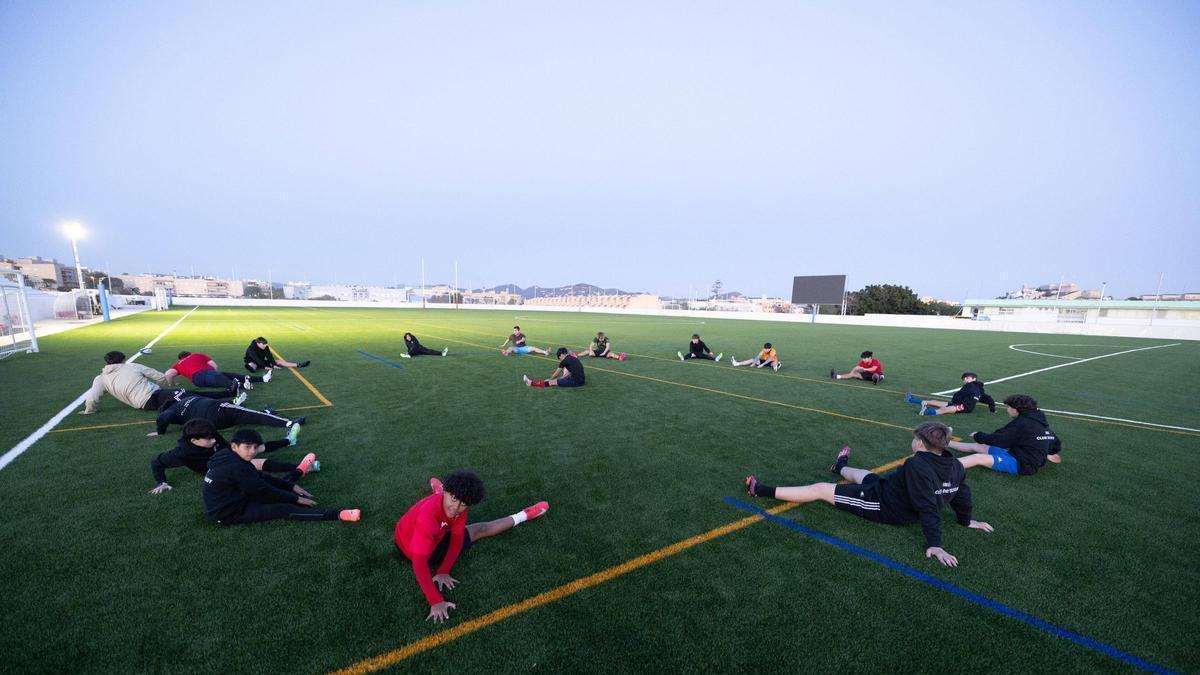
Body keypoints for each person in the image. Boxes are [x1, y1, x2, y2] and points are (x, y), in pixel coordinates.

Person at [744, 422, 993, 567]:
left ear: (919, 443)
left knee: (820, 489)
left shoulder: (917, 463)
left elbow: (928, 506)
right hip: (890, 488)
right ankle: (839, 466)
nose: (913, 441)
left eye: (914, 438)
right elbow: (961, 494)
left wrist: (935, 545)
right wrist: (966, 520)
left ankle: (760, 490)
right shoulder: (955, 464)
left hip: (884, 505)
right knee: (865, 473)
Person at [393, 470, 548, 622]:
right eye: (453, 498)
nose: (456, 507)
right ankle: (524, 515)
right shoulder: (428, 518)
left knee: (463, 519)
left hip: (416, 532)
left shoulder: (458, 509)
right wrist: (436, 601)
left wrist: (444, 570)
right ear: (447, 493)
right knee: (479, 529)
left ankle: (524, 514)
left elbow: (456, 541)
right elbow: (419, 562)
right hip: (411, 548)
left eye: (464, 503)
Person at [202, 428, 359, 525]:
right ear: (234, 446)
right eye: (247, 447)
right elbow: (265, 492)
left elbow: (261, 479)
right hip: (229, 513)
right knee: (283, 508)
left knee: (277, 485)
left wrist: (292, 486)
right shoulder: (236, 467)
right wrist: (295, 498)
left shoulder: (229, 455)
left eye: (255, 447)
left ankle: (300, 470)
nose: (252, 451)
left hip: (237, 496)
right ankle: (338, 514)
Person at [149, 418, 311, 494]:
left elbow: (226, 447)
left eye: (214, 436)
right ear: (194, 440)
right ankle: (302, 467)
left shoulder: (212, 436)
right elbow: (156, 462)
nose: (214, 439)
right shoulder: (182, 453)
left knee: (254, 446)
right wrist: (161, 482)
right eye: (209, 439)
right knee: (255, 462)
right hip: (216, 468)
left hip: (226, 456)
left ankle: (288, 440)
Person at [81, 351, 240, 415]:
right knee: (191, 397)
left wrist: (89, 410)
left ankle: (229, 395)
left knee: (189, 397)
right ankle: (230, 399)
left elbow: (92, 397)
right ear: (122, 360)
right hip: (153, 396)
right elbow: (157, 376)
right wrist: (170, 385)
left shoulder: (100, 378)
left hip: (143, 404)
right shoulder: (131, 366)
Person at [947, 394, 1062, 475]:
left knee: (978, 458)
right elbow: (1056, 445)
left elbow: (999, 440)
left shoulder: (1023, 422)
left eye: (1008, 407)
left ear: (1016, 409)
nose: (1007, 409)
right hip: (1017, 455)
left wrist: (978, 435)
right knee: (978, 446)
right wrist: (1046, 453)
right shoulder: (1041, 423)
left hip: (1022, 465)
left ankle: (940, 468)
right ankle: (944, 442)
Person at [150, 395, 304, 436]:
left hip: (215, 423)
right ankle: (289, 423)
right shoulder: (179, 405)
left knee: (249, 417)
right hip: (219, 410)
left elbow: (164, 418)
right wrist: (159, 430)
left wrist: (160, 431)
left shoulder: (176, 410)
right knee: (252, 415)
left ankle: (268, 413)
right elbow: (164, 418)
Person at [166, 351, 262, 395]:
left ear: (180, 359)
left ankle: (262, 379)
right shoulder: (197, 354)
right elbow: (214, 366)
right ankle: (244, 385)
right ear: (190, 354)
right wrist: (215, 374)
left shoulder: (178, 364)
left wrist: (172, 384)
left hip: (198, 379)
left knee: (226, 376)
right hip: (205, 373)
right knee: (223, 377)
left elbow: (168, 374)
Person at [906, 373, 996, 416]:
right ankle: (911, 400)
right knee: (935, 402)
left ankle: (926, 412)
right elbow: (987, 399)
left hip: (964, 406)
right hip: (959, 404)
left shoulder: (971, 386)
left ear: (974, 379)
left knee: (945, 409)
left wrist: (953, 401)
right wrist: (992, 408)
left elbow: (959, 394)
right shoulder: (979, 389)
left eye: (967, 378)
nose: (965, 380)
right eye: (964, 379)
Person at [244, 337, 310, 374]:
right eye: (263, 344)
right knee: (253, 365)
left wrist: (273, 364)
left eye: (266, 344)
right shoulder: (251, 348)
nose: (265, 345)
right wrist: (264, 367)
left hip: (262, 361)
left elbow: (269, 356)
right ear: (258, 343)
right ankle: (252, 369)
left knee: (279, 361)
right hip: (252, 361)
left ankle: (298, 365)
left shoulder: (266, 347)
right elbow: (255, 359)